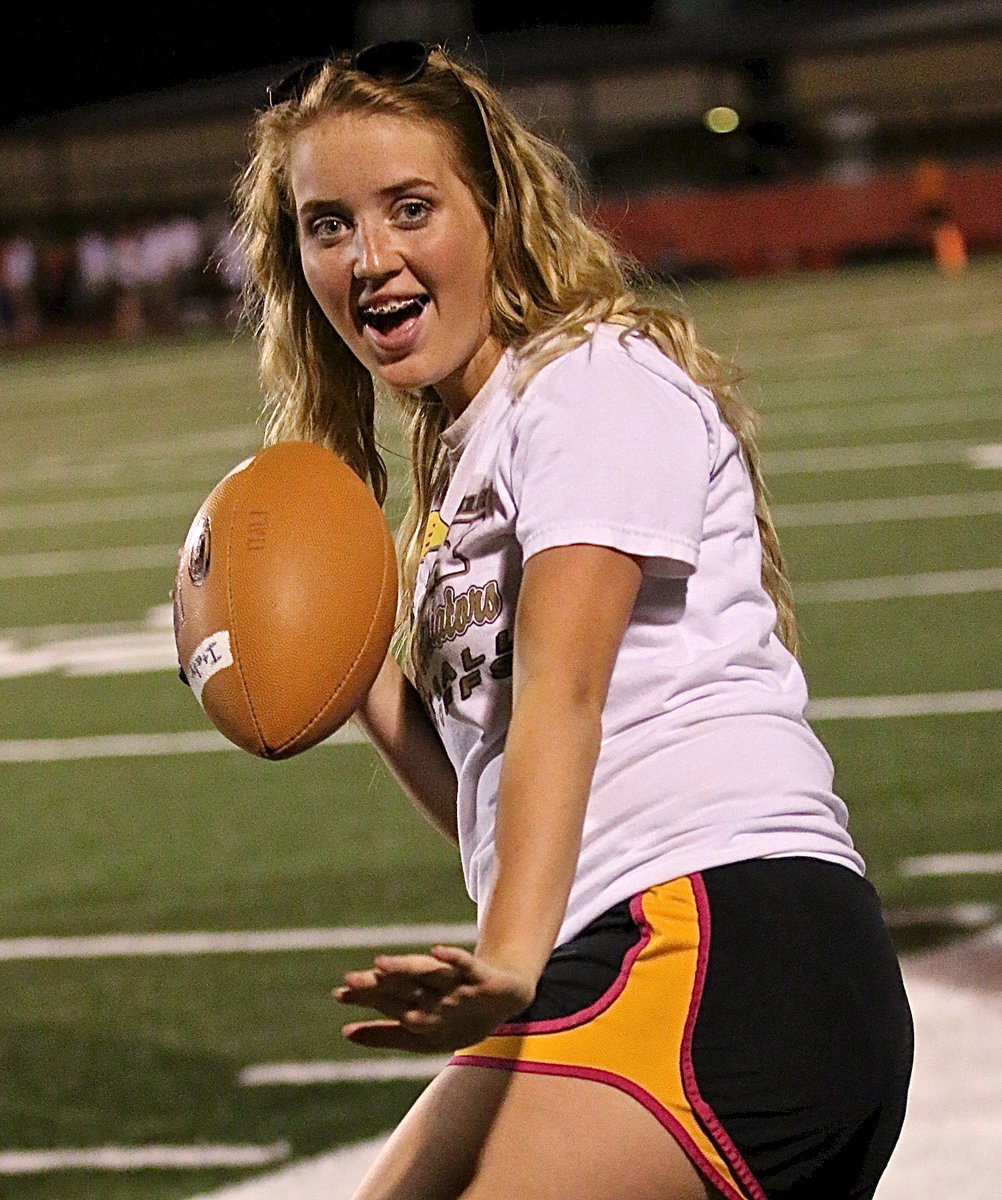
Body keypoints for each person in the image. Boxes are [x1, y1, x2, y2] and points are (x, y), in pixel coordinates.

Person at [234, 41, 913, 1200]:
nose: (372, 258)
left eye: (411, 208)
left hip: (726, 948)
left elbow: (567, 688)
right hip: (620, 953)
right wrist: (337, 665)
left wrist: (505, 956)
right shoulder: (462, 462)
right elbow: (491, 802)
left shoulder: (586, 381)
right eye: (329, 225)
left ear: (494, 210)